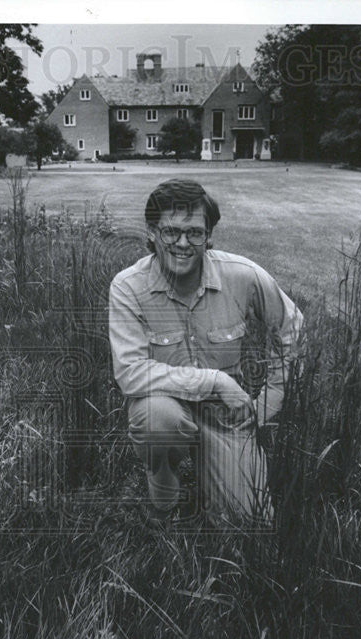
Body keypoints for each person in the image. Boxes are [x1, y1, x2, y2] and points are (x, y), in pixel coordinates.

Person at [108, 178, 303, 525]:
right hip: (164, 403)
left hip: (227, 417)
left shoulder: (243, 275)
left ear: (209, 235)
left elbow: (292, 329)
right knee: (158, 420)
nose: (183, 244)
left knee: (251, 524)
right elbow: (130, 372)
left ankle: (223, 471)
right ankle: (164, 490)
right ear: (152, 232)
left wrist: (266, 404)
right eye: (171, 232)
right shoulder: (127, 286)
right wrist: (214, 381)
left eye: (195, 232)